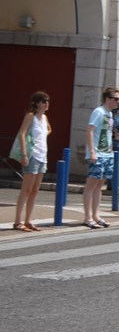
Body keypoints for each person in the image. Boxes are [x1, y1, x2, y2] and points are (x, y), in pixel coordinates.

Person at [12, 91, 52, 232]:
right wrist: (24, 154)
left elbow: (48, 130)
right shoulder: (30, 116)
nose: (46, 104)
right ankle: (18, 221)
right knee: (26, 189)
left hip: (42, 156)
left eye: (47, 101)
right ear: (36, 103)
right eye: (43, 101)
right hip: (32, 155)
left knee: (35, 190)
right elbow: (22, 134)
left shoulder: (44, 118)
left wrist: (42, 136)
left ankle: (28, 220)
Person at [82, 87, 119, 229]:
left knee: (100, 185)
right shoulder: (98, 112)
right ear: (108, 99)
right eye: (116, 99)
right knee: (91, 185)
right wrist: (92, 151)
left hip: (107, 154)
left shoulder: (109, 114)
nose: (118, 101)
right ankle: (87, 217)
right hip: (98, 154)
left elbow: (106, 132)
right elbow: (90, 131)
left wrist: (115, 138)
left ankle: (96, 215)